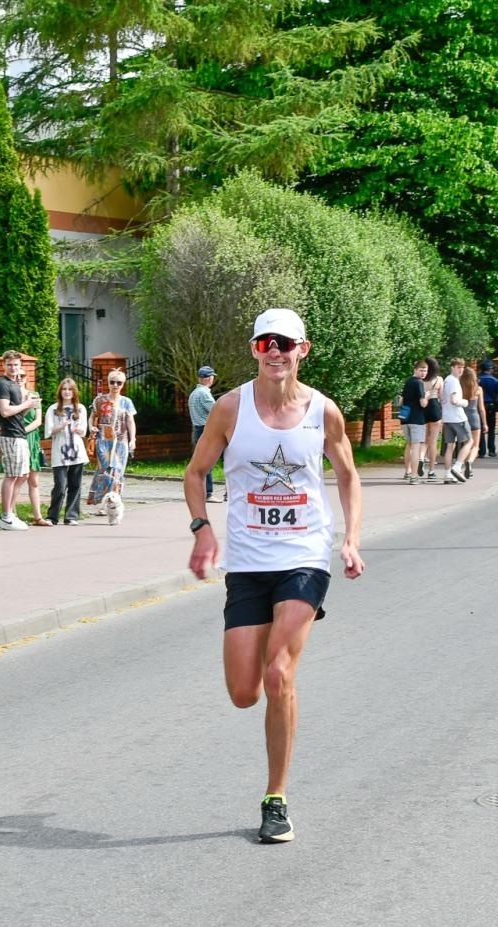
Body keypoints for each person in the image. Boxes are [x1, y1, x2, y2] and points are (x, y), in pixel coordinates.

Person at [183, 308, 366, 844]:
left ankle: (276, 798)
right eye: (266, 343)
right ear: (254, 350)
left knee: (278, 673)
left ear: (303, 349)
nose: (276, 352)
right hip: (247, 562)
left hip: (305, 555)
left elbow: (349, 476)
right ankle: (271, 741)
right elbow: (195, 474)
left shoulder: (322, 412)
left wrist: (350, 539)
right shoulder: (229, 409)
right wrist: (202, 530)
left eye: (286, 343)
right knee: (244, 692)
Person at [0, 351, 40, 531]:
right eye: (10, 365)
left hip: (20, 434)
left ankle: (10, 513)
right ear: (4, 365)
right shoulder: (2, 385)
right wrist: (26, 405)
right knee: (12, 475)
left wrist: (29, 404)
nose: (14, 368)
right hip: (10, 435)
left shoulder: (13, 384)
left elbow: (18, 413)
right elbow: (4, 411)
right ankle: (6, 516)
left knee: (23, 475)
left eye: (16, 365)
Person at [86, 369, 137, 510]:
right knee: (104, 470)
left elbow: (130, 421)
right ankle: (102, 504)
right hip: (103, 440)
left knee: (117, 471)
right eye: (112, 382)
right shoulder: (100, 400)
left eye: (119, 382)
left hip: (121, 442)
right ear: (108, 383)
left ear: (123, 384)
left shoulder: (126, 402)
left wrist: (133, 439)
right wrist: (91, 427)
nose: (115, 385)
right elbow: (92, 416)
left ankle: (114, 503)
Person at [44, 377, 89, 524]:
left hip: (76, 450)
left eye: (70, 389)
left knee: (75, 484)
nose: (67, 392)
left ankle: (71, 516)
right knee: (60, 485)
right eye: (64, 389)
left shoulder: (80, 408)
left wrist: (79, 429)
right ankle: (52, 516)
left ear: (74, 391)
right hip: (60, 451)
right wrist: (61, 426)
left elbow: (83, 431)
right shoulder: (53, 409)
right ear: (60, 391)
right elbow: (49, 432)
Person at [19, 370, 51, 525]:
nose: (19, 378)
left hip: (31, 438)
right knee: (16, 478)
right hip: (16, 439)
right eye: (17, 375)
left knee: (34, 480)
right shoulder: (9, 396)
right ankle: (11, 514)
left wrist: (23, 431)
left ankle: (38, 517)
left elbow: (38, 420)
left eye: (22, 375)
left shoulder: (34, 395)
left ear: (27, 378)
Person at [439, 357, 471, 483]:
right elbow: (454, 400)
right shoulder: (453, 381)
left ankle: (448, 474)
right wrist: (465, 402)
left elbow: (442, 398)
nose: (461, 370)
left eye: (462, 367)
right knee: (469, 441)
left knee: (450, 446)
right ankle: (457, 467)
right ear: (452, 367)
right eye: (458, 367)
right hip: (458, 417)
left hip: (447, 417)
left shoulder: (446, 380)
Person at [188, 366, 218, 501]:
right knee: (207, 463)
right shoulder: (204, 394)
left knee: (199, 463)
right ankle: (209, 493)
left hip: (197, 429)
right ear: (209, 378)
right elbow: (216, 410)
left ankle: (200, 492)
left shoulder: (194, 393)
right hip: (205, 430)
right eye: (212, 376)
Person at [399, 359, 429, 484]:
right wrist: (427, 397)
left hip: (405, 418)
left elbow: (401, 400)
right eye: (421, 370)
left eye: (425, 371)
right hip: (417, 419)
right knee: (416, 447)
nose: (423, 373)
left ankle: (407, 471)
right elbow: (423, 404)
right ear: (415, 370)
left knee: (409, 445)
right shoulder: (419, 383)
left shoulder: (407, 382)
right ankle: (414, 476)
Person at [420, 356, 443, 481]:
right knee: (433, 441)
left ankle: (421, 458)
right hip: (434, 407)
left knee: (424, 439)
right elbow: (442, 397)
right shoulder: (439, 379)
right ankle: (431, 471)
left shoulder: (421, 380)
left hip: (423, 408)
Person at [460, 365, 484, 479]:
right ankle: (469, 462)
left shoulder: (460, 388)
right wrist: (485, 423)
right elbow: (481, 408)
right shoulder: (478, 389)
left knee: (465, 444)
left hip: (463, 417)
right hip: (474, 418)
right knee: (475, 446)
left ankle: (461, 465)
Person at [477, 361, 498, 457]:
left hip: (479, 406)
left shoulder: (477, 380)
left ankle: (482, 451)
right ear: (490, 369)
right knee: (491, 429)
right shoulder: (495, 380)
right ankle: (491, 450)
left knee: (480, 428)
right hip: (491, 406)